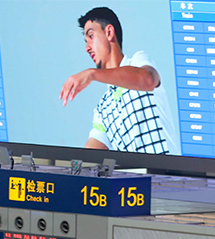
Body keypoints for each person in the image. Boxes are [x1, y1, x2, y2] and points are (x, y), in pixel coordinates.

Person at [60, 6, 174, 154]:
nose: (87, 48)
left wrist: (92, 74)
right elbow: (88, 159)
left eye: (91, 36)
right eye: (85, 41)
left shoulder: (138, 62)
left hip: (167, 176)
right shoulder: (102, 109)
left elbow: (148, 80)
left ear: (109, 32)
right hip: (134, 177)